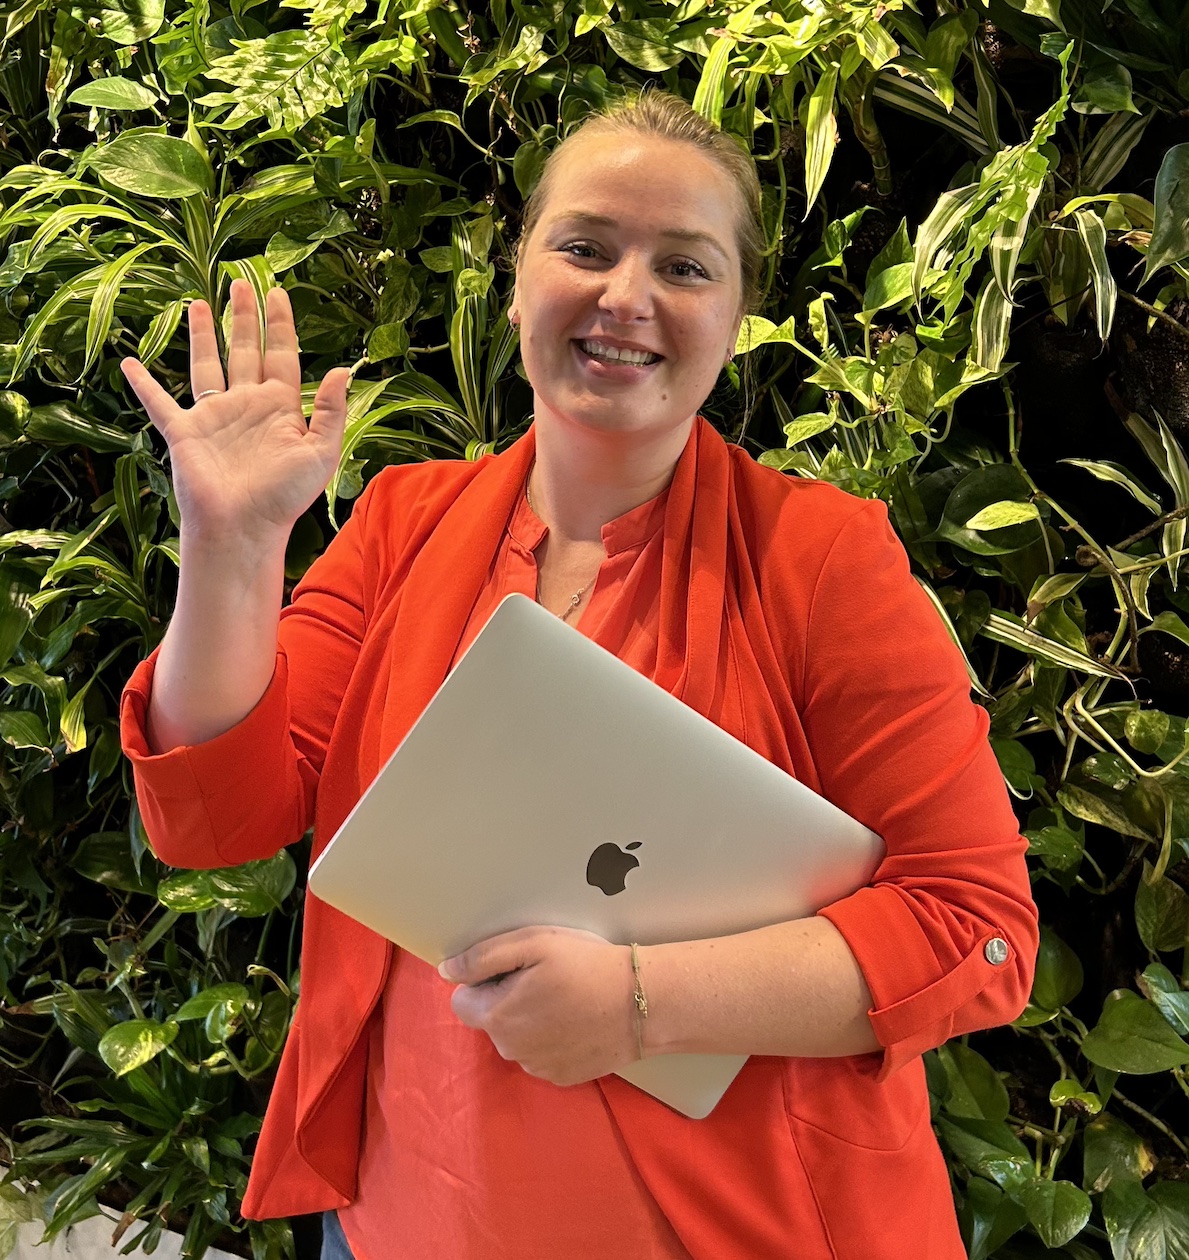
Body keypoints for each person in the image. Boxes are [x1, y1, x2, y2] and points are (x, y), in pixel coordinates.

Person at [119, 91, 1038, 1260]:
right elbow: (221, 815)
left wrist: (640, 1005)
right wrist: (234, 553)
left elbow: (976, 930)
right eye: (586, 246)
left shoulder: (822, 560)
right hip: (400, 1219)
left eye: (686, 266)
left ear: (737, 314)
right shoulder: (407, 521)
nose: (626, 296)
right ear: (516, 282)